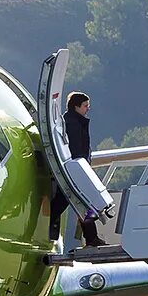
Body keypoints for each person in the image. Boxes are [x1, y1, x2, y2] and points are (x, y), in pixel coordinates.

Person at [50, 91, 104, 248]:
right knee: (85, 204)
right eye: (85, 106)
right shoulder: (73, 123)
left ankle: (91, 237)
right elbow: (76, 148)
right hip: (76, 171)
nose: (88, 109)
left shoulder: (72, 121)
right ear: (76, 106)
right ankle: (91, 238)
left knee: (73, 203)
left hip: (76, 169)